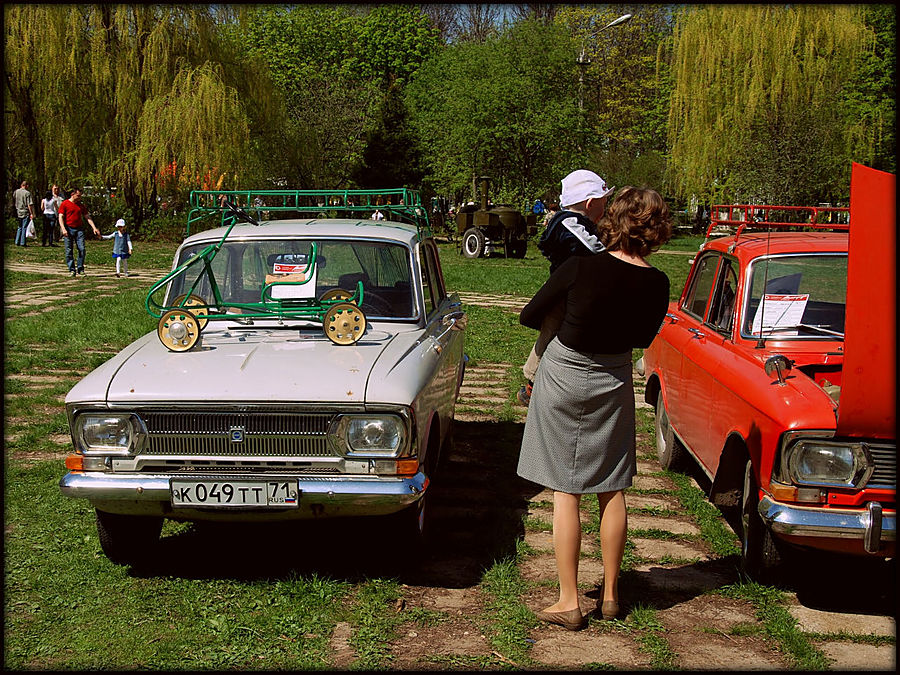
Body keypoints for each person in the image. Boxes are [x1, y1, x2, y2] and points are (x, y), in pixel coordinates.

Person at [517, 186, 672, 631]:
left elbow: (531, 315)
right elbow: (642, 337)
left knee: (566, 489)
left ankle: (568, 600)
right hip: (615, 376)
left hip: (565, 374)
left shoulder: (580, 267)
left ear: (615, 220)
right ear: (656, 228)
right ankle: (609, 594)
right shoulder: (657, 282)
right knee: (611, 486)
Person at [517, 170, 613, 406]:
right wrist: (611, 257)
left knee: (561, 334)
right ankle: (533, 380)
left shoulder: (578, 222)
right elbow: (591, 248)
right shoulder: (569, 222)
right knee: (550, 332)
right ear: (590, 203)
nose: (607, 208)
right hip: (563, 293)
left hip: (576, 290)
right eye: (605, 202)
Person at [58, 187, 101, 277]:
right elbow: (60, 217)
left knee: (82, 249)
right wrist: (63, 229)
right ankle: (72, 269)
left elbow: (87, 217)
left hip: (79, 229)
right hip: (68, 229)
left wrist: (94, 227)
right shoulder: (65, 204)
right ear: (72, 194)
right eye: (78, 195)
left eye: (80, 196)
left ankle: (80, 269)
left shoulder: (80, 205)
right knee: (69, 250)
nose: (79, 197)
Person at [13, 179, 35, 247]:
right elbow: (29, 204)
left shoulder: (16, 191)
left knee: (19, 227)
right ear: (26, 185)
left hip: (18, 211)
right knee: (24, 227)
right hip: (25, 211)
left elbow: (14, 197)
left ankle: (17, 241)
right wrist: (31, 213)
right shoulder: (27, 193)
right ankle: (23, 242)